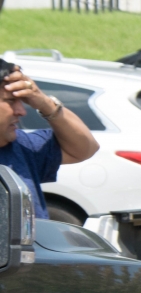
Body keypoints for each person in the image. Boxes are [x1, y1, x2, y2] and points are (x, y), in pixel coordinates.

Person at [0, 63, 98, 218]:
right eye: (11, 101)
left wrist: (43, 102)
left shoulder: (22, 146)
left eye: (22, 101)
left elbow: (85, 148)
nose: (22, 111)